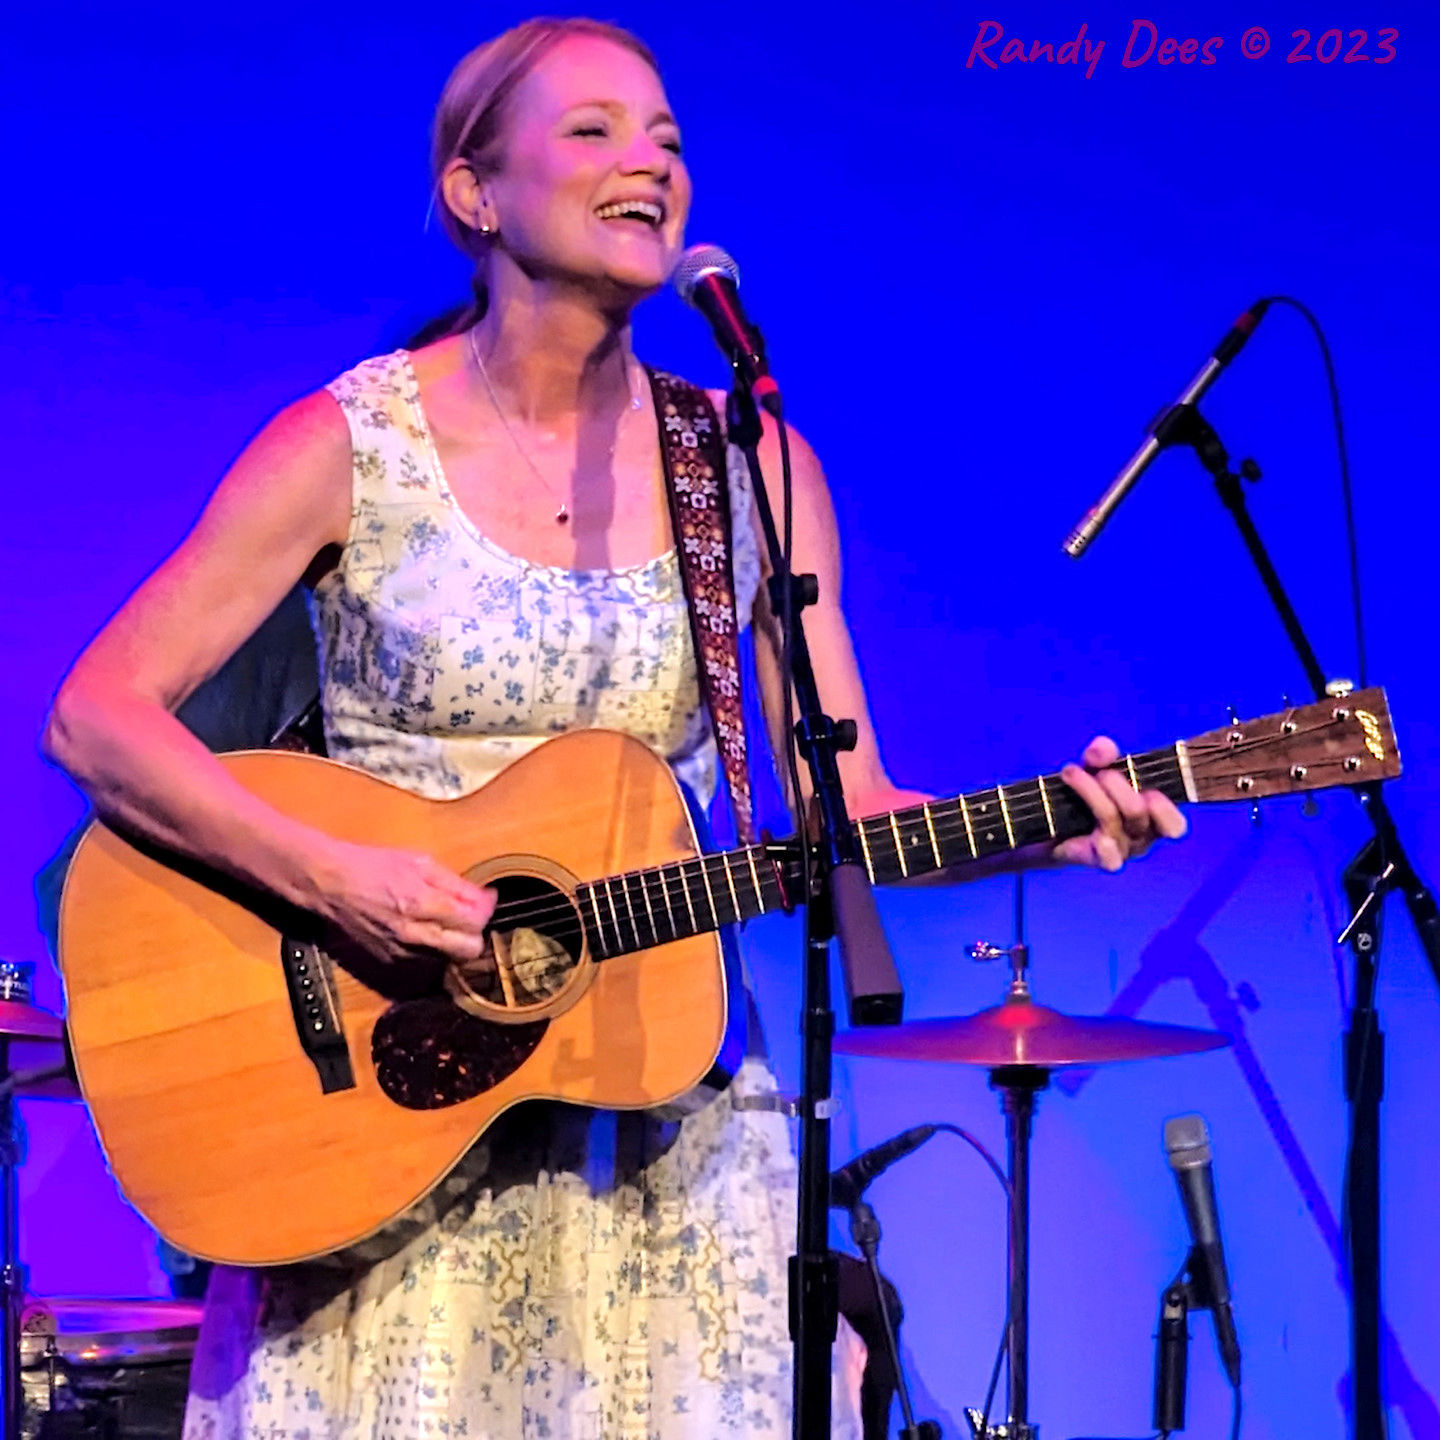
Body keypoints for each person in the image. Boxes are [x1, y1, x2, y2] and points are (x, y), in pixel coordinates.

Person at [42, 18, 1186, 1438]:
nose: (650, 161)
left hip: (665, 1152)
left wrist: (1055, 830)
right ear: (475, 192)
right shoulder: (349, 445)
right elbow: (96, 716)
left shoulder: (747, 470)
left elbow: (847, 813)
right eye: (593, 131)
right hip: (381, 1150)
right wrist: (337, 878)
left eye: (667, 137)